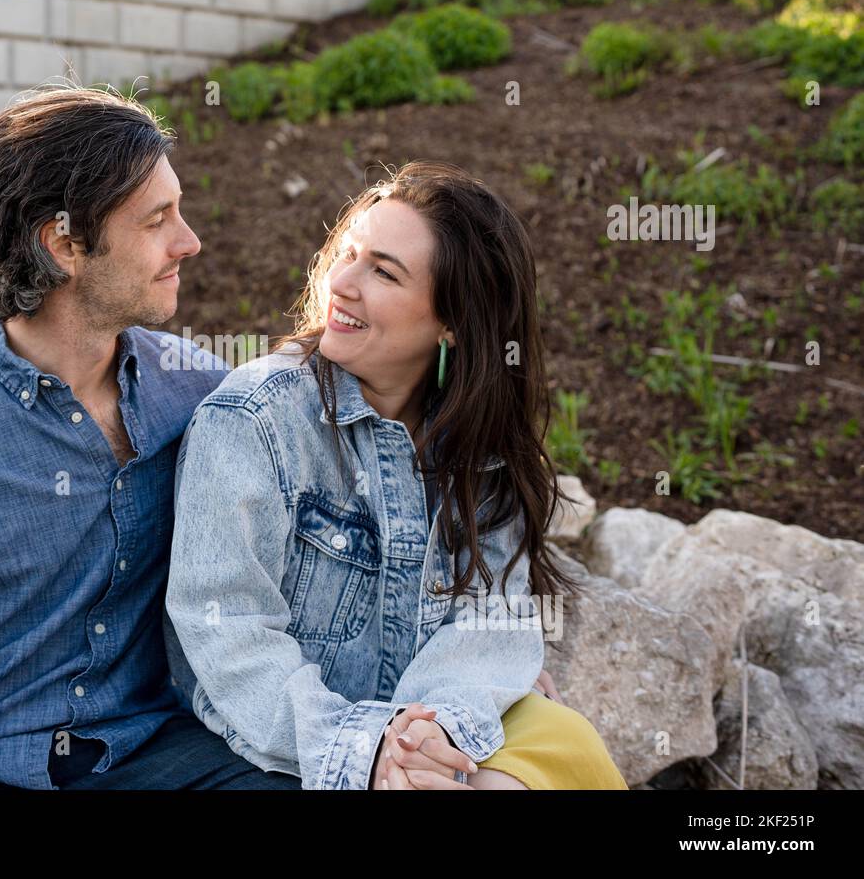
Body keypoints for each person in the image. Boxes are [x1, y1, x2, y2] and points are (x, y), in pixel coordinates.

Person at [0, 85, 297, 790]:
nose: (188, 241)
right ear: (64, 244)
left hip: (163, 752)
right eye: (158, 220)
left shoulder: (200, 395)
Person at [163, 161, 628, 790]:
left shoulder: (478, 441)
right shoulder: (255, 420)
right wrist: (370, 748)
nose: (342, 283)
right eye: (347, 253)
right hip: (290, 741)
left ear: (453, 323)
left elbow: (496, 616)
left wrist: (434, 729)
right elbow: (227, 637)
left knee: (556, 751)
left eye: (383, 272)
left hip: (420, 736)